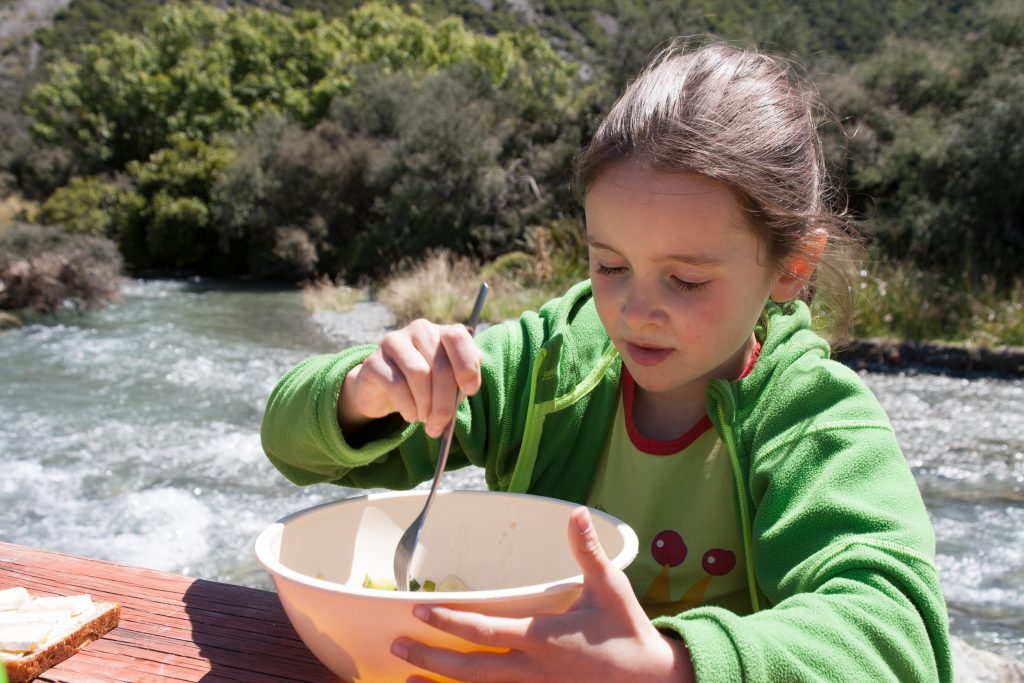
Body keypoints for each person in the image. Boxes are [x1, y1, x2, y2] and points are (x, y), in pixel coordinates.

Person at [261, 40, 952, 682]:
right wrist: (364, 391)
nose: (632, 309)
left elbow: (898, 635)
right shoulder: (547, 363)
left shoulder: (813, 420)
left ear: (792, 267)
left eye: (685, 279)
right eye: (610, 264)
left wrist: (670, 665)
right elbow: (291, 442)